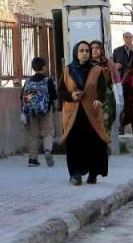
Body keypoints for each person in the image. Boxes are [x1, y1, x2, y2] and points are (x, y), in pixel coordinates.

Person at [60, 42, 110, 186]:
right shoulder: (67, 70)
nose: (85, 53)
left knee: (94, 143)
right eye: (81, 50)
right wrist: (71, 95)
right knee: (73, 144)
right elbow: (61, 90)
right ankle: (75, 174)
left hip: (91, 114)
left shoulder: (96, 70)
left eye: (87, 51)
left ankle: (93, 173)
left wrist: (100, 100)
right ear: (76, 52)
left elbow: (102, 89)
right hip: (73, 115)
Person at [20, 56, 58, 168]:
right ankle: (47, 150)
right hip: (46, 110)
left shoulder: (28, 81)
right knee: (48, 132)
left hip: (31, 112)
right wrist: (54, 108)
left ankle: (32, 159)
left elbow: (22, 97)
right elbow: (54, 96)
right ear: (44, 67)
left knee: (34, 135)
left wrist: (24, 112)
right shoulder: (48, 80)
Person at [89, 40, 119, 139]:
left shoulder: (108, 63)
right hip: (91, 97)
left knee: (106, 122)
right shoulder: (86, 64)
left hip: (107, 97)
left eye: (97, 48)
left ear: (101, 50)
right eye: (92, 48)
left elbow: (116, 81)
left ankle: (105, 149)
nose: (94, 50)